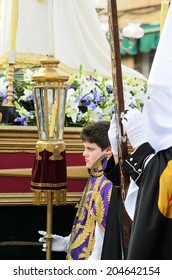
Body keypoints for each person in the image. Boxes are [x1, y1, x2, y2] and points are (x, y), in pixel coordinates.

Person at [39, 120, 124, 260]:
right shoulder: (96, 176)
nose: (84, 154)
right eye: (84, 148)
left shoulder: (108, 183)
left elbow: (104, 239)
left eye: (90, 149)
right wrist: (68, 243)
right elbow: (88, 225)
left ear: (109, 150)